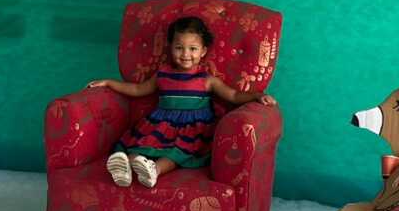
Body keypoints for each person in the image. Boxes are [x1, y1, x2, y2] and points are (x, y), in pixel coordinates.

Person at [88, 16, 277, 188]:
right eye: (179, 48)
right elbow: (138, 89)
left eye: (193, 49)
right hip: (160, 125)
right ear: (170, 48)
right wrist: (110, 83)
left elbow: (234, 95)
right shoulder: (162, 74)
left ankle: (155, 170)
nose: (185, 54)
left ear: (203, 51)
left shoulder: (207, 80)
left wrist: (255, 95)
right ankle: (126, 167)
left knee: (176, 153)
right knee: (140, 146)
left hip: (191, 130)